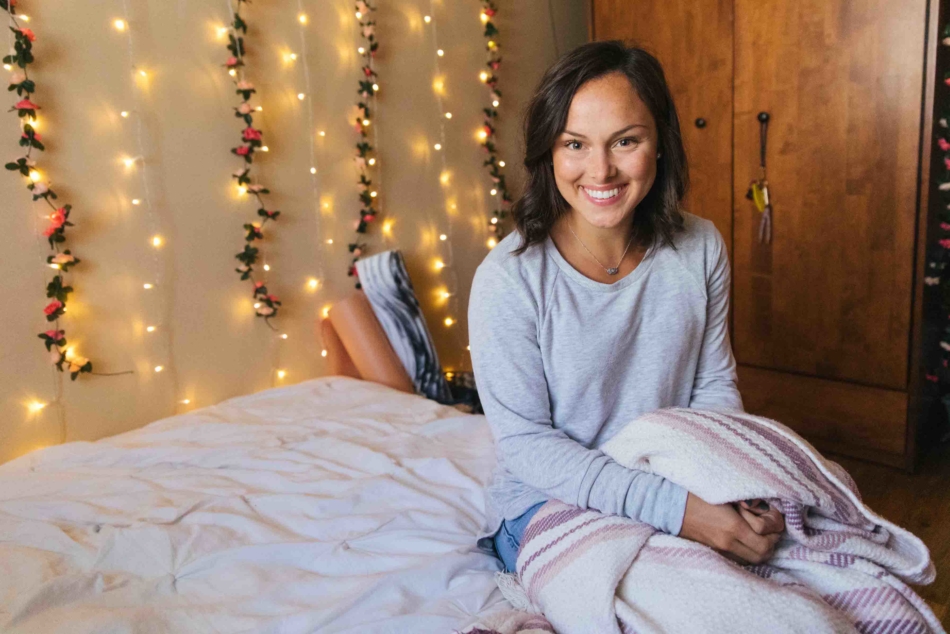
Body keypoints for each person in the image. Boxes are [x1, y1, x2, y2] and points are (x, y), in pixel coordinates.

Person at [468, 41, 785, 575]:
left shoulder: (701, 247)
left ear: (659, 144)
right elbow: (526, 444)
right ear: (549, 152)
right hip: (549, 499)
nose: (601, 171)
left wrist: (729, 483)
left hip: (671, 476)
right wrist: (679, 512)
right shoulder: (508, 280)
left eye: (625, 141)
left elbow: (711, 385)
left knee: (782, 548)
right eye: (575, 144)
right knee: (680, 591)